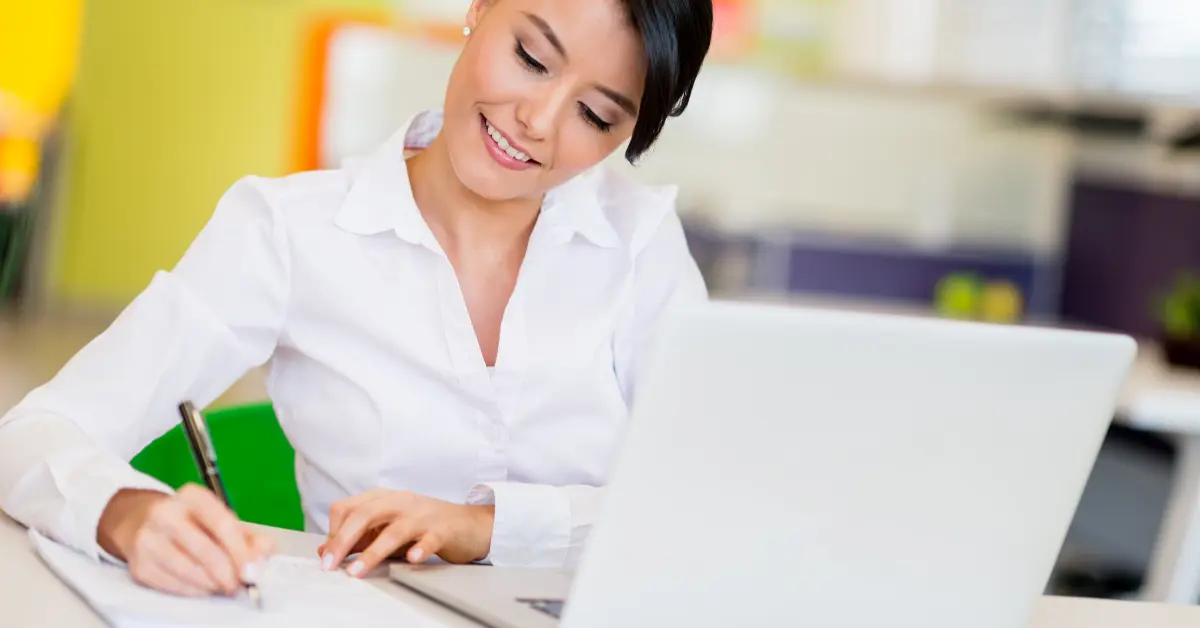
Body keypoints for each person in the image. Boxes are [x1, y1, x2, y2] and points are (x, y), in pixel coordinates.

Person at [0, 0, 713, 598]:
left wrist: (487, 527)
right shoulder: (289, 230)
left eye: (595, 114)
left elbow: (712, 497)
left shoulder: (641, 243)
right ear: (479, 9)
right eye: (530, 57)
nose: (539, 120)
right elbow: (32, 431)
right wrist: (126, 514)